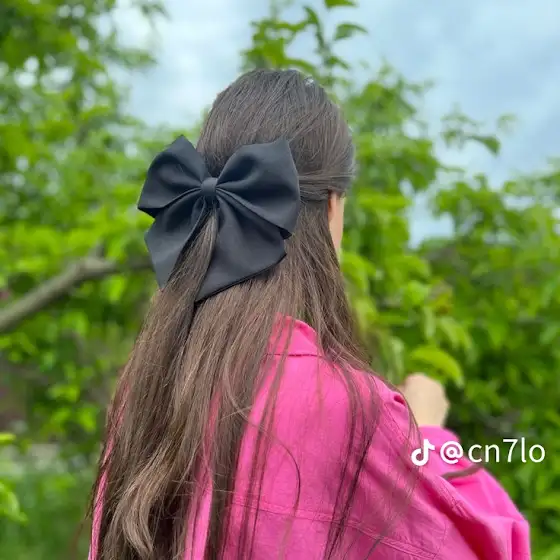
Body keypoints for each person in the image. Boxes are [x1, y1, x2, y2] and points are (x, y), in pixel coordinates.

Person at [88, 69, 530, 560]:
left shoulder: (146, 385)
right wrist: (430, 438)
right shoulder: (351, 410)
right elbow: (490, 547)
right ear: (333, 208)